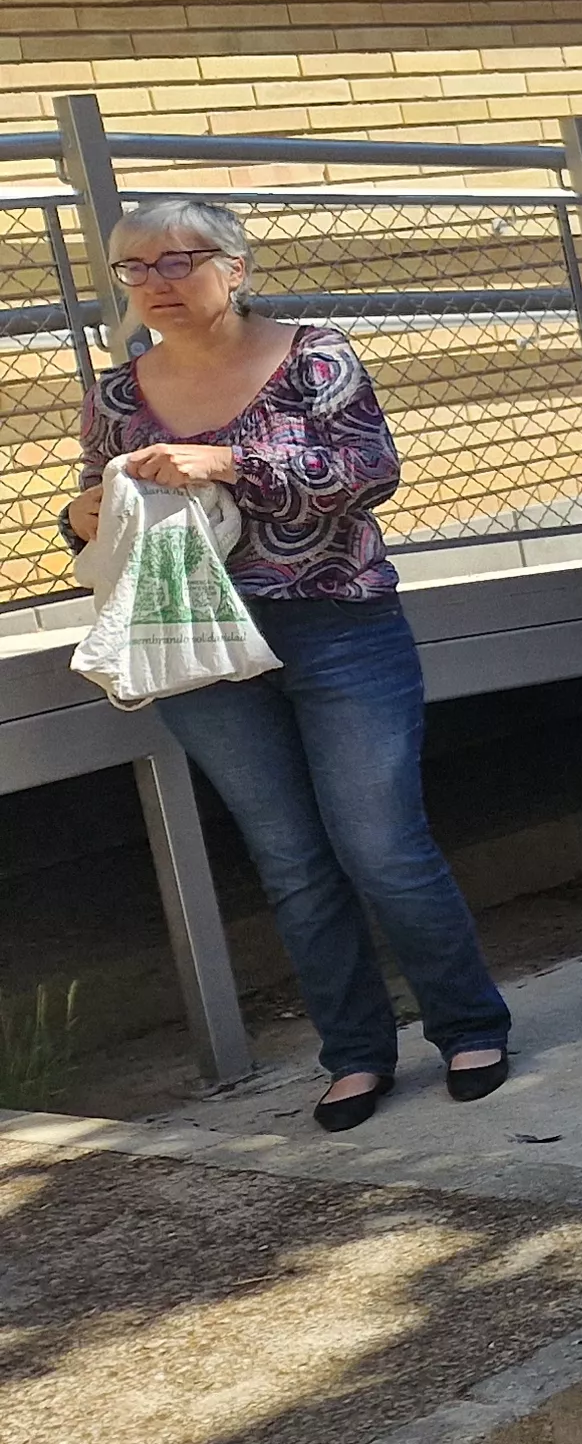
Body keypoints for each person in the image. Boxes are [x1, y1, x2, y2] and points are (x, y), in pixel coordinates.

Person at [62, 200, 510, 1132]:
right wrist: (81, 519)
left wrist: (224, 462)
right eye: (136, 268)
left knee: (382, 845)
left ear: (236, 266)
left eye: (180, 261)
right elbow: (93, 499)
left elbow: (369, 471)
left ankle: (468, 1024)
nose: (158, 283)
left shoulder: (315, 353)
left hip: (338, 623)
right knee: (291, 860)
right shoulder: (117, 393)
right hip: (190, 638)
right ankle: (353, 1055)